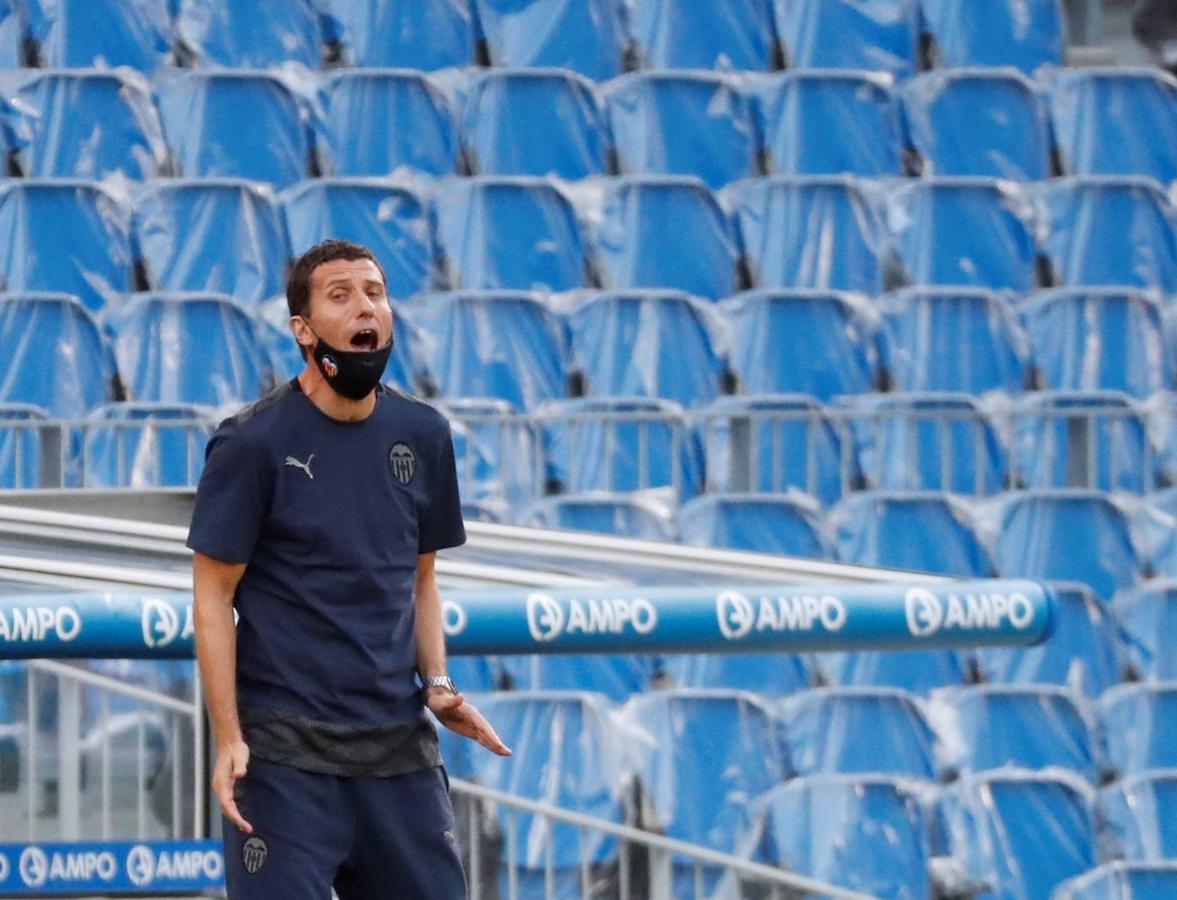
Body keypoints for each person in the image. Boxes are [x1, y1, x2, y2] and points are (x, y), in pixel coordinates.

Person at [188, 239, 509, 899]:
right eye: (340, 294)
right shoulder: (250, 443)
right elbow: (212, 599)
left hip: (398, 756)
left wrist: (439, 682)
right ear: (302, 330)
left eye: (374, 291)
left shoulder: (422, 435)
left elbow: (419, 580)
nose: (364, 305)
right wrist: (228, 737)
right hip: (283, 761)